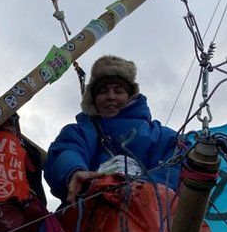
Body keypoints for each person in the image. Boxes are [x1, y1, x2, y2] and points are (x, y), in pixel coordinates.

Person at [44, 54, 181, 204]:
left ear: (131, 97)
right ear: (93, 99)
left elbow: (180, 161)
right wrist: (74, 171)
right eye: (103, 91)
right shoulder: (79, 132)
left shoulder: (161, 135)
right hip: (86, 217)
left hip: (149, 218)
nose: (110, 96)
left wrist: (142, 189)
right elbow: (67, 150)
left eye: (118, 91)